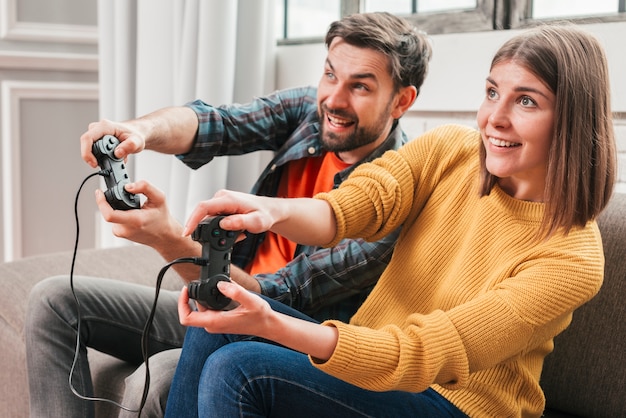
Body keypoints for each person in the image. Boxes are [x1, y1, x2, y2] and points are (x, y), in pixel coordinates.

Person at [164, 23, 616, 418]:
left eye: (527, 102)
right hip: (371, 368)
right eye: (493, 92)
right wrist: (270, 211)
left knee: (240, 369)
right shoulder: (450, 152)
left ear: (571, 120)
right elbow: (354, 206)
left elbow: (424, 354)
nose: (494, 118)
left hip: (454, 403)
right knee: (217, 315)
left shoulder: (571, 257)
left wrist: (271, 323)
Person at [24, 12, 432, 418]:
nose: (334, 100)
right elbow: (214, 123)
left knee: (160, 376)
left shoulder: (393, 198)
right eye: (330, 75)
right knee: (55, 300)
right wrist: (138, 131)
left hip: (281, 335)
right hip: (221, 301)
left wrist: (166, 238)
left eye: (360, 87)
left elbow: (267, 300)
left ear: (402, 101)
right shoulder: (311, 112)